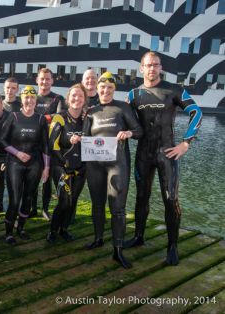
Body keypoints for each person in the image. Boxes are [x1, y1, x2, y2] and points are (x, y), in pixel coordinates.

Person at [125, 51, 203, 266]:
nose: (151, 69)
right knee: (142, 197)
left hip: (167, 153)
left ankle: (172, 246)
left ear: (160, 68)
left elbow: (196, 112)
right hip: (143, 154)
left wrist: (186, 143)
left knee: (170, 199)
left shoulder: (173, 90)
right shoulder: (133, 95)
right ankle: (139, 237)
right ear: (141, 68)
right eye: (148, 65)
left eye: (155, 65)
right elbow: (122, 121)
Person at [83, 72, 143, 269]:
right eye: (102, 87)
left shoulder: (122, 107)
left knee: (117, 209)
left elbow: (139, 131)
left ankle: (118, 250)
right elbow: (85, 137)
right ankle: (98, 238)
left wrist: (129, 133)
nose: (106, 91)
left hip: (117, 164)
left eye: (110, 88)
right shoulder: (91, 111)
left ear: (114, 89)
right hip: (94, 164)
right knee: (97, 204)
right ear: (97, 89)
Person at [0, 85, 50, 245]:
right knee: (15, 199)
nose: (29, 101)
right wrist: (17, 153)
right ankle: (8, 233)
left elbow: (45, 145)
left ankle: (21, 228)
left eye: (32, 98)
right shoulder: (13, 117)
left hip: (34, 164)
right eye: (26, 98)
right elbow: (3, 140)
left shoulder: (41, 119)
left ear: (36, 100)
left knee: (28, 198)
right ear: (22, 99)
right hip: (15, 163)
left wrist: (47, 167)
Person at [46, 84, 87, 243]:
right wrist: (65, 159)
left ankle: (64, 229)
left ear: (84, 99)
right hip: (61, 166)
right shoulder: (60, 117)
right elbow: (52, 145)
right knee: (64, 201)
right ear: (68, 99)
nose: (77, 99)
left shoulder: (87, 119)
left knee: (73, 201)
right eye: (73, 96)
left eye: (80, 96)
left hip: (81, 167)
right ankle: (52, 231)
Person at [31, 68, 66, 220]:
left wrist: (39, 118)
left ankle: (45, 209)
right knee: (32, 178)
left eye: (47, 79)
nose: (44, 82)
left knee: (47, 179)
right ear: (37, 80)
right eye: (42, 79)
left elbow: (60, 115)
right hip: (32, 144)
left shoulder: (58, 98)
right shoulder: (32, 97)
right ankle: (32, 208)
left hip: (50, 144)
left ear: (52, 81)